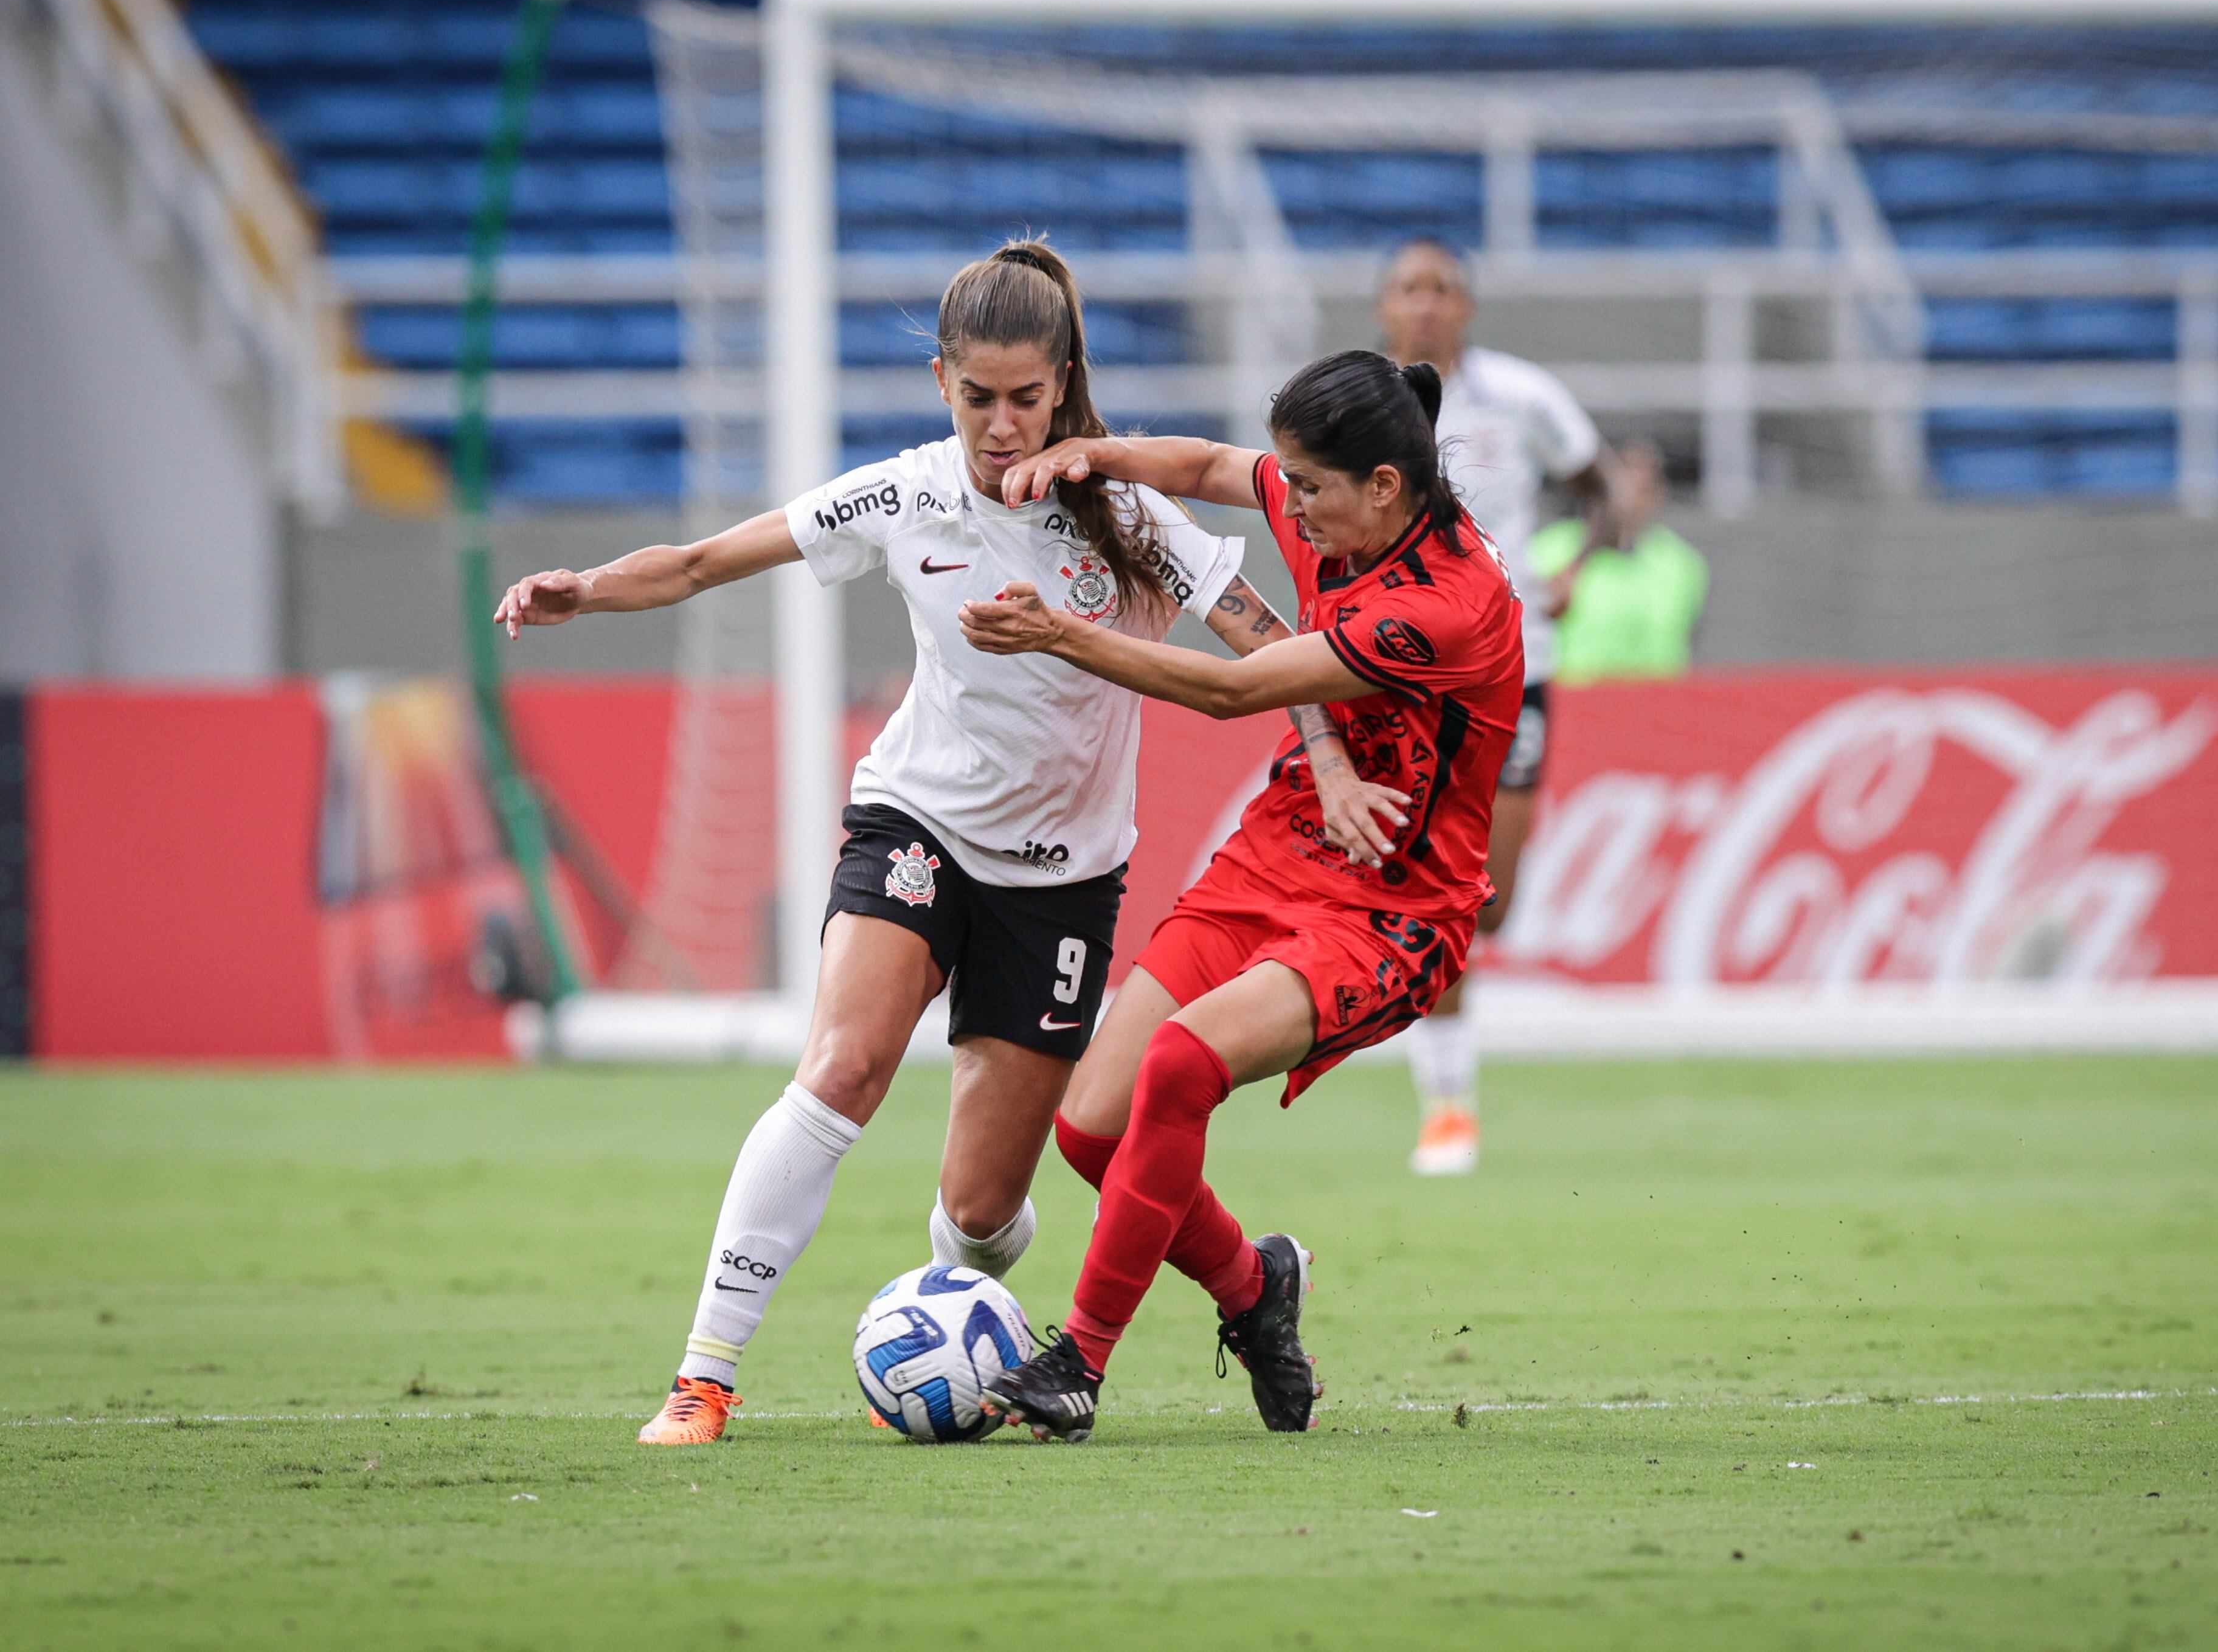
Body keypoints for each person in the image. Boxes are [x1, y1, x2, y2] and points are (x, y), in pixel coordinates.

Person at [491, 240, 1346, 1447]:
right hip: (917, 824)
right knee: (843, 1065)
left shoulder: (1130, 519)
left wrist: (1340, 758)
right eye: (975, 397)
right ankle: (704, 1377)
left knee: (982, 1213)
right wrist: (586, 584)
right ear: (941, 381)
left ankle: (1199, 1282)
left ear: (1064, 385)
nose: (1000, 426)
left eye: (1024, 399)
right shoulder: (901, 496)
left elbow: (1273, 648)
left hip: (1061, 883)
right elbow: (698, 562)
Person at [956, 348, 1525, 1442]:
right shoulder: (1342, 502)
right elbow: (1216, 464)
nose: (1291, 505)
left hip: (1393, 911)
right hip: (1280, 851)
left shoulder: (1445, 609)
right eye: (1294, 483)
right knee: (1090, 1132)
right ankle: (1255, 1292)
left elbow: (1228, 689)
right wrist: (1095, 450)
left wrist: (1060, 635)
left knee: (1178, 1065)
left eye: (1309, 489)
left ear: (1384, 489)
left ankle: (1077, 1363)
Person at [1374, 237, 1619, 1176]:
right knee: (1439, 886)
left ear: (1466, 305)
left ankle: (1437, 1063)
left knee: (1494, 901)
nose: (1426, 304)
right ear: (1385, 309)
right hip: (1410, 671)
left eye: (1441, 288)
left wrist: (1576, 566)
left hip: (1518, 667)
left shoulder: (1524, 397)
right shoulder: (1365, 407)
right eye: (1408, 289)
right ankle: (1448, 1104)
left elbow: (1602, 487)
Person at [1532, 440, 1709, 683]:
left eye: (1642, 491)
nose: (1629, 504)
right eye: (1622, 490)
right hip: (1575, 703)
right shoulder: (1548, 552)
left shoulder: (1682, 565)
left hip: (1657, 706)